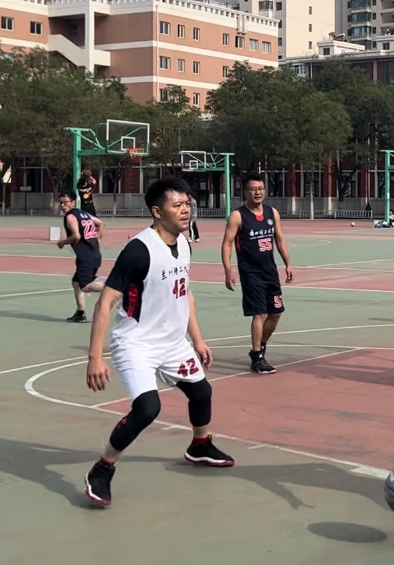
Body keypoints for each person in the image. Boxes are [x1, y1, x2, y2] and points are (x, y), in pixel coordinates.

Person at [83, 178, 234, 507]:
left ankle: (199, 445)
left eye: (187, 203)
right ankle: (103, 468)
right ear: (157, 211)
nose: (185, 209)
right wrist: (95, 357)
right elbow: (105, 302)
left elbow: (185, 294)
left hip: (173, 343)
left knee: (201, 392)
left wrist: (197, 339)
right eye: (177, 205)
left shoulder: (184, 244)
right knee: (148, 408)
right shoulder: (139, 250)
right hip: (136, 343)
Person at [221, 172, 294, 374]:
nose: (257, 192)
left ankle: (260, 346)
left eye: (260, 188)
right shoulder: (237, 216)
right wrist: (228, 271)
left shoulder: (272, 213)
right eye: (253, 189)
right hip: (250, 273)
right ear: (245, 192)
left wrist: (288, 264)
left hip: (270, 271)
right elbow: (227, 244)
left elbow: (279, 239)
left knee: (276, 313)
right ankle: (257, 357)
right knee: (259, 313)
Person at [57, 190, 106, 323]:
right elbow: (101, 224)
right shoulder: (84, 214)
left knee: (85, 286)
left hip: (86, 256)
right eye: (60, 203)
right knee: (76, 283)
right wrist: (98, 237)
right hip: (94, 253)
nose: (62, 205)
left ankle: (119, 288)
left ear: (73, 202)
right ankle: (80, 313)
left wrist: (62, 242)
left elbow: (76, 236)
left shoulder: (70, 217)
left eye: (65, 202)